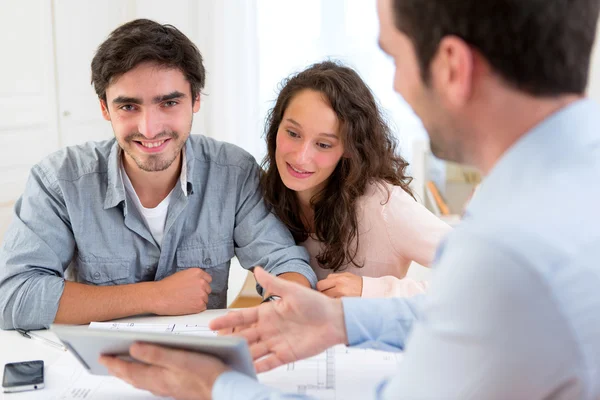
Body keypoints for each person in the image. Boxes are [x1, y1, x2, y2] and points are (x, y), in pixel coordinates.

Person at [100, 0, 600, 398]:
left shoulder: (505, 249)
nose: (399, 87)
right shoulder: (561, 194)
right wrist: (342, 320)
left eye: (393, 56)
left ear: (451, 66)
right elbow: (468, 313)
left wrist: (214, 388)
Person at [0, 19, 317, 331]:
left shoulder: (233, 172)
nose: (149, 129)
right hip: (96, 371)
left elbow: (287, 268)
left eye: (168, 102)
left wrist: (273, 315)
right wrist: (154, 296)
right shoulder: (59, 180)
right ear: (105, 108)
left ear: (195, 100)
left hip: (196, 370)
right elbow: (13, 297)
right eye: (128, 107)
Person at [260, 61, 451, 298]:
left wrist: (369, 290)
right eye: (293, 133)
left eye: (323, 144)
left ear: (350, 148)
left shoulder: (384, 206)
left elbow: (490, 278)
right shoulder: (265, 198)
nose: (300, 157)